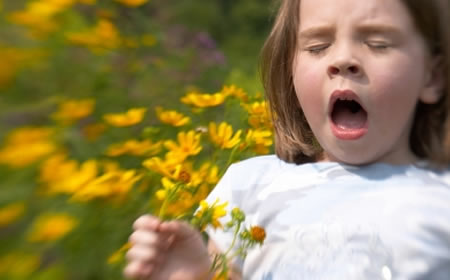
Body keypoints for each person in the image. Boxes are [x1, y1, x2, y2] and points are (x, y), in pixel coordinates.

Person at [124, 0, 450, 279]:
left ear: (433, 75)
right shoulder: (250, 186)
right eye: (317, 46)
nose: (342, 60)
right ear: (290, 68)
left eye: (378, 43)